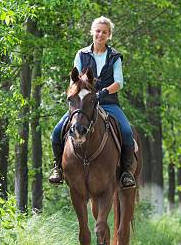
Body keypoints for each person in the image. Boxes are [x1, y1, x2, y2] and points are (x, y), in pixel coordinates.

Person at [49, 16, 136, 189]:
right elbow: (75, 80)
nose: (100, 35)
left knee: (126, 132)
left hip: (109, 102)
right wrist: (82, 94)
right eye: (97, 31)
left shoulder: (115, 56)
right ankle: (58, 168)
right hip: (83, 104)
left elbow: (119, 82)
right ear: (92, 32)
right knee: (56, 132)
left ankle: (126, 172)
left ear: (109, 35)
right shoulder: (81, 54)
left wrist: (103, 92)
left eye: (104, 32)